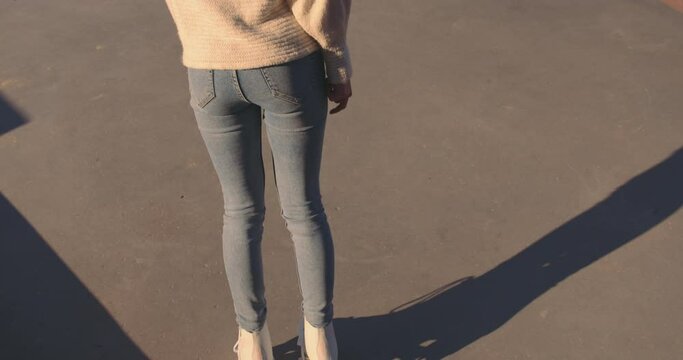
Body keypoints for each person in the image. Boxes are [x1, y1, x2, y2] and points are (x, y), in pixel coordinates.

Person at [163, 0, 353, 359]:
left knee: (240, 212)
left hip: (208, 67)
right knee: (304, 209)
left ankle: (252, 339)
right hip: (285, 61)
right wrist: (337, 62)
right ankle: (319, 337)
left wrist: (201, 33)